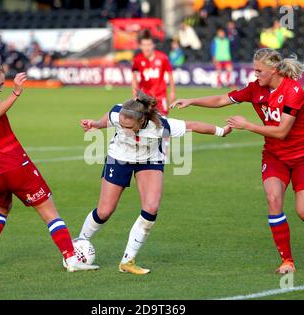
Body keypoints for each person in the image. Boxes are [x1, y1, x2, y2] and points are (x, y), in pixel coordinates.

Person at [171, 48, 304, 274]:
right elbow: (223, 98)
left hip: (303, 156)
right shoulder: (255, 89)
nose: (255, 75)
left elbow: (282, 131)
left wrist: (247, 125)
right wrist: (192, 101)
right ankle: (287, 262)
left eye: (258, 70)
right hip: (274, 156)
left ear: (273, 70)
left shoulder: (294, 91)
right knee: (273, 200)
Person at [0, 52, 98, 272]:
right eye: (0, 84)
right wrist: (15, 93)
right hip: (14, 165)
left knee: (2, 207)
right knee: (50, 213)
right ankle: (71, 260)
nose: (0, 88)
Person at [77, 91, 231, 275]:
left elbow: (194, 125)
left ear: (141, 121)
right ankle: (78, 245)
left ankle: (128, 261)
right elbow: (108, 120)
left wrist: (221, 131)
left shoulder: (160, 126)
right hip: (118, 157)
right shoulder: (118, 113)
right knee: (104, 210)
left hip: (149, 160)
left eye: (128, 127)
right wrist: (95, 124)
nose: (123, 129)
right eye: (122, 125)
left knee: (151, 208)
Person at [131, 30, 175, 116]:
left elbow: (170, 74)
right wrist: (134, 95)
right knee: (143, 122)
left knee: (162, 121)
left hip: (160, 96)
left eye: (149, 45)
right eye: (144, 45)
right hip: (144, 97)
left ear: (153, 45)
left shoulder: (162, 58)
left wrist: (172, 92)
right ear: (140, 46)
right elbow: (134, 78)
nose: (147, 48)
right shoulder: (137, 59)